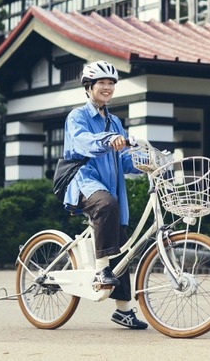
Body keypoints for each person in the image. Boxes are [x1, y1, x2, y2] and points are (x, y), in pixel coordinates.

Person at [61, 60, 148, 330]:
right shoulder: (78, 117)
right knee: (106, 205)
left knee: (122, 245)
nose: (107, 87)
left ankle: (123, 310)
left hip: (110, 188)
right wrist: (108, 139)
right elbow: (84, 142)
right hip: (82, 182)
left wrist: (146, 162)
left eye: (111, 83)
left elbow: (123, 161)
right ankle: (101, 269)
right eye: (102, 83)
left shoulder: (115, 121)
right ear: (89, 87)